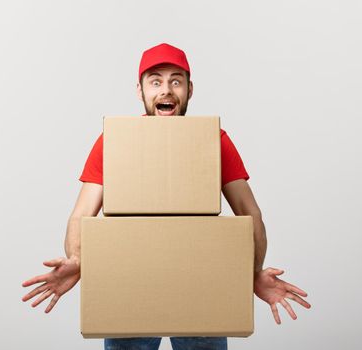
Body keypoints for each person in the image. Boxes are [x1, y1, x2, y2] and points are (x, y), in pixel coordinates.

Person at [22, 43, 311, 350]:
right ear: (140, 91)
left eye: (176, 81)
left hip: (200, 280)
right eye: (155, 81)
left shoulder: (214, 140)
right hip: (130, 279)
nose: (166, 90)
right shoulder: (115, 141)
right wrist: (78, 261)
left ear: (190, 89)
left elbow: (249, 211)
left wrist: (251, 273)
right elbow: (81, 214)